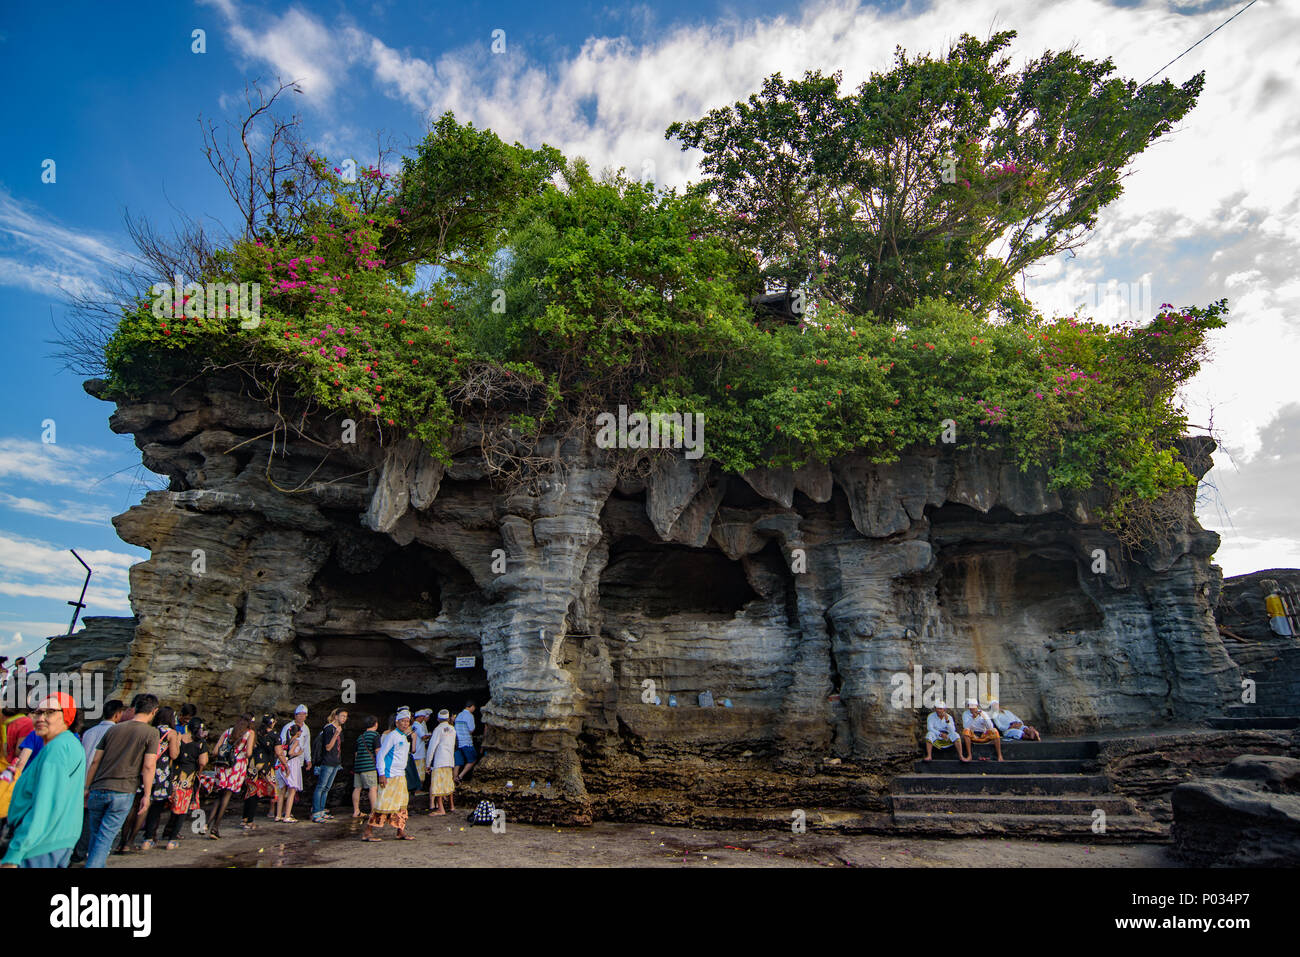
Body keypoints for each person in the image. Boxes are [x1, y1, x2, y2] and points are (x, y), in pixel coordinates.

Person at [0, 693, 85, 868]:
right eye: (38, 712)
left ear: (67, 716)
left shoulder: (58, 748)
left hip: (39, 844)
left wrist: (15, 853)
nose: (41, 718)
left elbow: (45, 804)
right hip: (55, 839)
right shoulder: (67, 743)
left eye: (50, 712)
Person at [84, 693, 160, 868]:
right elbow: (149, 766)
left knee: (96, 837)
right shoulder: (151, 733)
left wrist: (87, 786)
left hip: (98, 788)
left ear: (134, 709)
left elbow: (95, 761)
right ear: (154, 711)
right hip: (123, 791)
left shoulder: (114, 729)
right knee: (104, 839)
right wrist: (147, 795)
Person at [71, 699, 124, 863]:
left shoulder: (90, 731)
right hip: (100, 781)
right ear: (117, 715)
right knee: (95, 823)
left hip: (82, 779)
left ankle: (76, 851)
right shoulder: (116, 732)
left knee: (83, 817)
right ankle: (83, 854)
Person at [145, 718, 207, 850]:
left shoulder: (179, 737)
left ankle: (148, 838)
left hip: (171, 776)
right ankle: (172, 840)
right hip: (187, 779)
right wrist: (198, 771)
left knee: (158, 806)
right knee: (181, 809)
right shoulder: (201, 743)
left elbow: (173, 755)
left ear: (188, 727)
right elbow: (203, 761)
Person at [362, 708, 414, 842]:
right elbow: (381, 755)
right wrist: (382, 774)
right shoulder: (392, 736)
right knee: (382, 803)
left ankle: (400, 831)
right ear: (396, 723)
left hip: (400, 775)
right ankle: (368, 832)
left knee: (402, 804)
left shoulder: (404, 737)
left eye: (407, 721)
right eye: (402, 721)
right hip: (390, 775)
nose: (405, 724)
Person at [137, 707, 181, 850]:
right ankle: (149, 838)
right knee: (156, 807)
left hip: (145, 770)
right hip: (161, 773)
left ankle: (136, 836)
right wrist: (178, 742)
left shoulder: (151, 729)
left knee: (141, 804)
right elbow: (174, 755)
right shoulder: (171, 733)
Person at [208, 714, 255, 839]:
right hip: (236, 766)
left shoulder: (228, 731)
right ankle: (215, 828)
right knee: (227, 796)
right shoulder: (249, 733)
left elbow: (214, 751)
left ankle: (206, 824)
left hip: (223, 766)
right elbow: (249, 752)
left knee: (219, 795)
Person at [310, 708, 348, 823]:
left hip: (335, 762)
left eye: (346, 716)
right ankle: (316, 812)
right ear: (336, 716)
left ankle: (321, 811)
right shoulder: (329, 728)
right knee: (321, 786)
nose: (344, 719)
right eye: (342, 716)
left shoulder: (339, 729)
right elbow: (328, 747)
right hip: (327, 762)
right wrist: (336, 734)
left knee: (327, 788)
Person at [241, 715, 278, 830]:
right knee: (257, 793)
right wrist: (285, 765)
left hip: (252, 765)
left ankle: (245, 819)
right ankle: (250, 821)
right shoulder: (274, 735)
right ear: (273, 723)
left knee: (250, 791)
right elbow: (279, 752)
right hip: (264, 767)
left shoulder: (256, 733)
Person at [427, 709, 457, 815]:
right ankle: (452, 806)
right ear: (448, 718)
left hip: (440, 760)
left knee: (438, 784)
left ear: (438, 719)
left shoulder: (438, 730)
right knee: (448, 783)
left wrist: (428, 763)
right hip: (449, 759)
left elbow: (432, 747)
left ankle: (441, 809)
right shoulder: (453, 729)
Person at [275, 723, 305, 822]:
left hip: (283, 764)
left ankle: (278, 815)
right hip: (292, 765)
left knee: (282, 791)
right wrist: (299, 753)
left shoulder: (285, 741)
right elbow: (290, 753)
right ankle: (287, 815)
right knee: (292, 790)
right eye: (300, 731)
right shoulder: (296, 741)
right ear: (297, 732)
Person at [351, 715, 380, 818]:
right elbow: (377, 751)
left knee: (357, 788)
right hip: (369, 766)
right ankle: (374, 812)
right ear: (375, 724)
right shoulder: (375, 735)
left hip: (358, 766)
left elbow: (356, 754)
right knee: (373, 788)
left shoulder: (360, 737)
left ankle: (356, 811)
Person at [281, 704, 312, 778]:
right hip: (288, 759)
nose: (301, 716)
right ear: (295, 715)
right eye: (299, 714)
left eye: (304, 714)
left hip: (299, 760)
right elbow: (282, 742)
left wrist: (308, 760)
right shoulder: (288, 727)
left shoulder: (306, 728)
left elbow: (307, 745)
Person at [453, 701, 478, 782]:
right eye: (474, 707)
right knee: (473, 760)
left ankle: (453, 780)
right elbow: (471, 730)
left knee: (458, 762)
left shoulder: (459, 715)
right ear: (472, 706)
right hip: (466, 742)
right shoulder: (469, 716)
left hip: (458, 742)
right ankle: (460, 777)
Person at [410, 709, 432, 788]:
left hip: (416, 752)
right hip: (419, 752)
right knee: (420, 773)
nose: (423, 719)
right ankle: (418, 789)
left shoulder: (414, 725)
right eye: (423, 717)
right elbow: (423, 737)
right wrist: (430, 735)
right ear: (419, 717)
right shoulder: (418, 725)